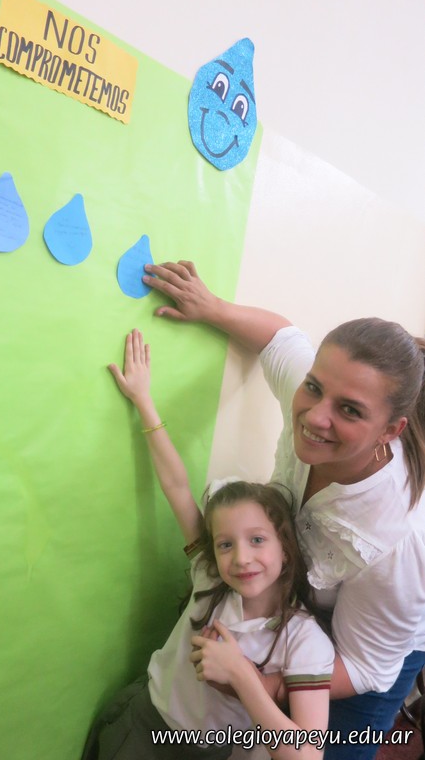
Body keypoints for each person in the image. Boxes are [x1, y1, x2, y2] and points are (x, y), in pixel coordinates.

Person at [141, 260, 425, 760]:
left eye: (349, 410)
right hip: (295, 613)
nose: (314, 417)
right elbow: (280, 338)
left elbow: (365, 666)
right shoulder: (314, 390)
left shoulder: (400, 541)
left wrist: (259, 684)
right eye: (314, 387)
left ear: (390, 430)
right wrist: (213, 308)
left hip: (371, 652)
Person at [82, 329, 334, 760]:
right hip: (143, 726)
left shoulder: (304, 639)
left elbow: (307, 755)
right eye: (225, 544)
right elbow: (176, 486)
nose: (241, 558)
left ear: (286, 547)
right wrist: (143, 399)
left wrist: (242, 676)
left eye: (257, 540)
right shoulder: (210, 576)